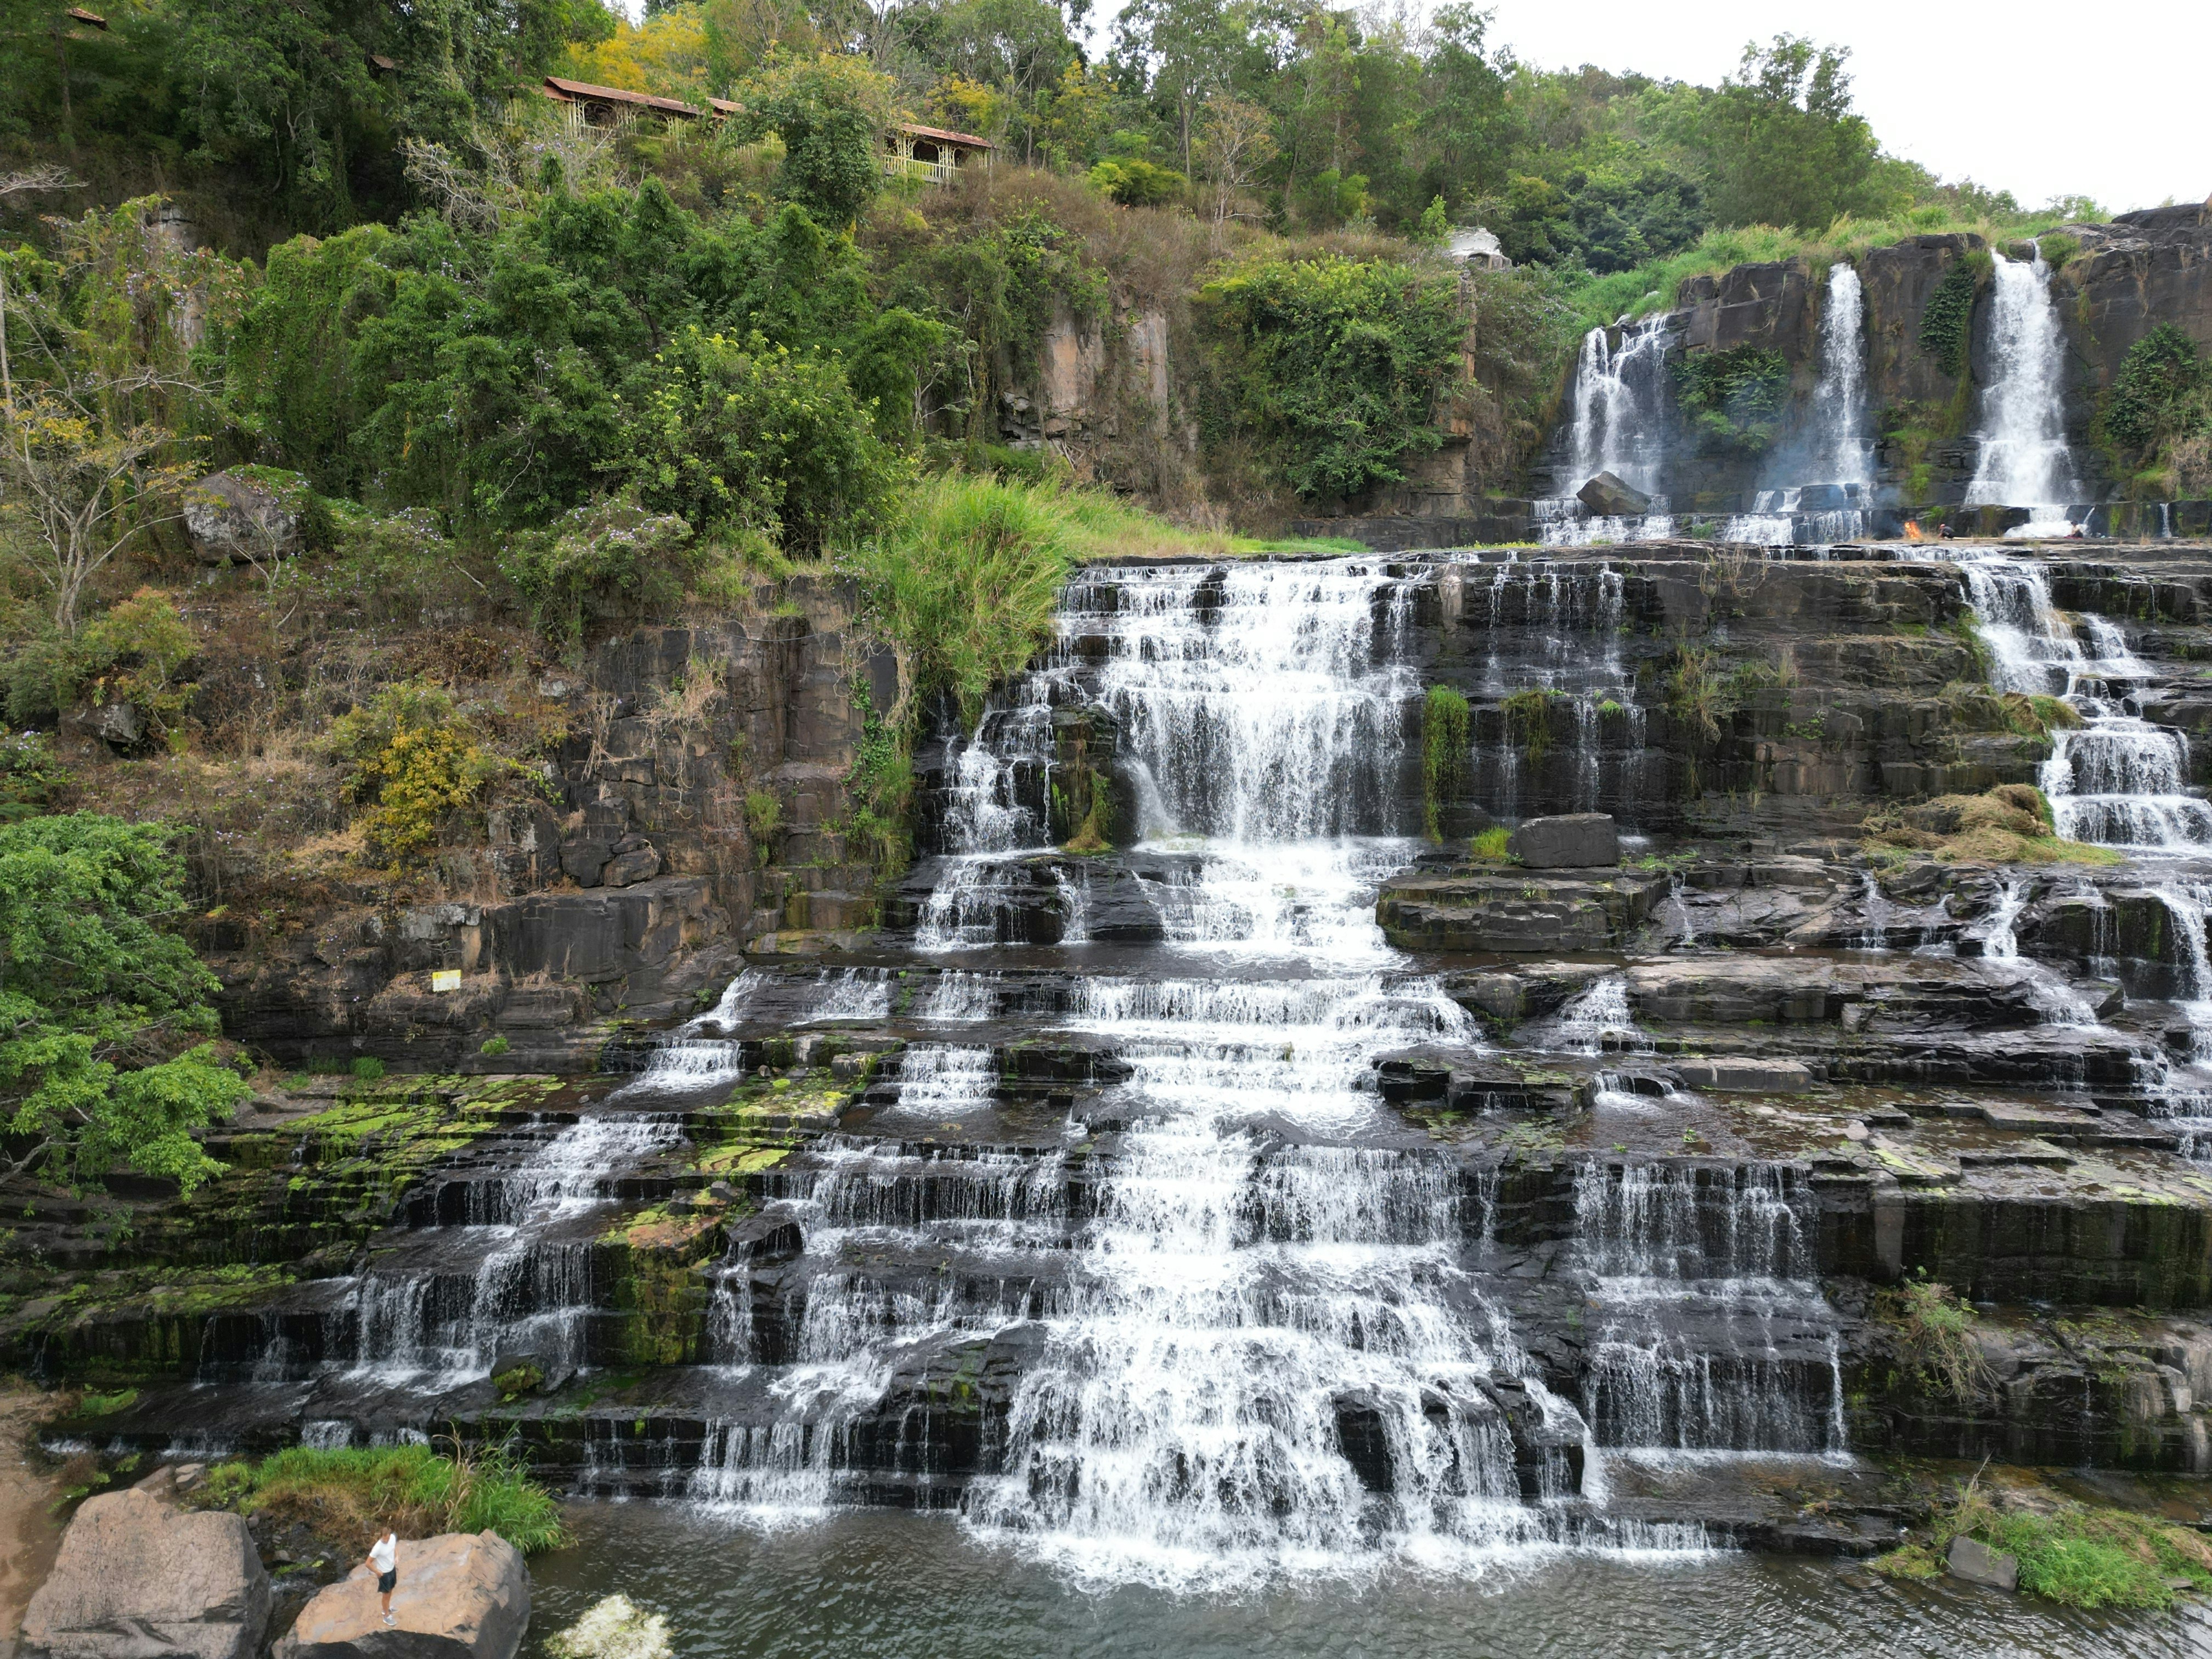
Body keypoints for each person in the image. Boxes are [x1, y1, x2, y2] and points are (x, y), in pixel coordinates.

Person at [365, 1531, 399, 1627]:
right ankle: (386, 1616)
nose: (386, 1541)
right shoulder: (378, 1548)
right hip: (384, 1573)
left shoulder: (392, 1538)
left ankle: (387, 1607)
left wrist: (397, 1556)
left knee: (391, 1589)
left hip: (392, 1569)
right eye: (384, 1539)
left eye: (387, 1539)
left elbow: (394, 1546)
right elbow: (368, 1563)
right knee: (386, 1594)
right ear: (381, 1537)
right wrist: (377, 1571)